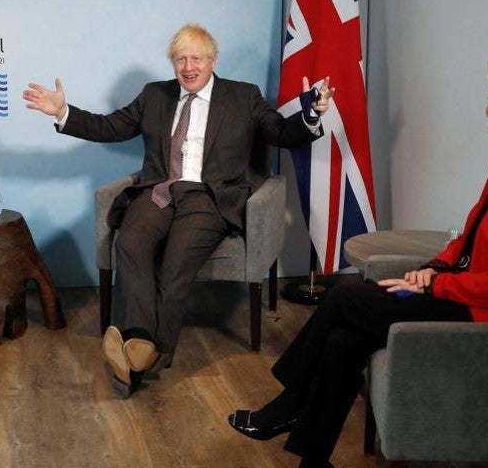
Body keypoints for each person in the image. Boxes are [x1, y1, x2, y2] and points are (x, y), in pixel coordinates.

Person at [228, 51, 488, 468]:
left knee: (348, 293)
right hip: (464, 294)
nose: (487, 107)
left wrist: (437, 288)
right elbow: (468, 241)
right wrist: (434, 267)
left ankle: (291, 401)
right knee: (342, 341)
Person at [23, 23, 332, 396]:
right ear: (172, 64)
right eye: (180, 59)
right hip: (160, 191)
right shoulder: (155, 95)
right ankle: (138, 338)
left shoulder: (243, 96)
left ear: (212, 61)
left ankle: (153, 354)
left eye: (196, 58)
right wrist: (63, 112)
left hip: (209, 198)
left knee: (177, 258)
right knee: (131, 242)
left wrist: (311, 114)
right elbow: (109, 126)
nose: (188, 67)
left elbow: (281, 134)